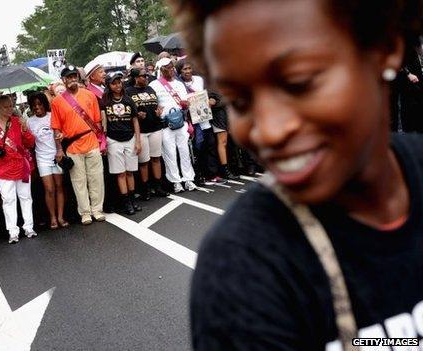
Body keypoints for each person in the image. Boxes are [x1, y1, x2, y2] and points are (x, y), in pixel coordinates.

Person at [169, 0, 423, 350]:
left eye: (299, 83)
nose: (269, 131)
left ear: (384, 48)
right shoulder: (245, 271)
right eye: (239, 101)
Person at [51, 65, 106, 225]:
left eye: (74, 76)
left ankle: (97, 209)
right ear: (63, 80)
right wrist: (59, 149)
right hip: (73, 146)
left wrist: (100, 142)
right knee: (78, 181)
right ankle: (85, 212)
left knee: (96, 178)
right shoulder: (57, 102)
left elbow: (97, 121)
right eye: (69, 77)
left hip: (91, 141)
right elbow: (56, 128)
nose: (72, 79)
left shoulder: (89, 95)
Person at [0, 95, 37, 243]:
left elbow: (30, 143)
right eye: (5, 106)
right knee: (8, 200)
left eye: (11, 105)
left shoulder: (18, 122)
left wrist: (25, 130)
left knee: (26, 197)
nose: (9, 109)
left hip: (20, 165)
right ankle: (12, 230)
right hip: (3, 168)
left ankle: (28, 227)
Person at [177, 60, 234, 182]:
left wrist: (212, 99)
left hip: (205, 118)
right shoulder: (178, 84)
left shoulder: (199, 80)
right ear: (180, 72)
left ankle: (213, 174)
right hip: (191, 121)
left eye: (189, 68)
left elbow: (210, 93)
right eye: (184, 69)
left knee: (211, 145)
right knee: (197, 148)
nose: (188, 71)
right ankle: (199, 174)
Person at [149, 57, 197, 193]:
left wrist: (185, 103)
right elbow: (154, 104)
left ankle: (188, 179)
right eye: (167, 68)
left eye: (171, 67)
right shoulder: (154, 85)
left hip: (181, 122)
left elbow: (185, 101)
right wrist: (157, 111)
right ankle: (176, 182)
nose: (170, 70)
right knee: (170, 154)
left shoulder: (179, 84)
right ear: (161, 70)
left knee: (185, 151)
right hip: (166, 124)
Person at [101, 72, 142, 215]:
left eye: (119, 82)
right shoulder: (105, 101)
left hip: (130, 138)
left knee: (130, 172)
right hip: (113, 140)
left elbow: (135, 121)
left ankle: (132, 199)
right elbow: (102, 122)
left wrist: (138, 141)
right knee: (120, 173)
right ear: (108, 85)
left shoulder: (128, 100)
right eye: (114, 83)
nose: (117, 85)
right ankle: (125, 202)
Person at [26, 92, 68, 229]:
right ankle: (53, 218)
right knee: (49, 189)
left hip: (56, 156)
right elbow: (29, 143)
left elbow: (60, 134)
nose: (37, 107)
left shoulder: (52, 117)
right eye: (34, 105)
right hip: (41, 158)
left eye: (40, 104)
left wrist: (60, 150)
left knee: (59, 187)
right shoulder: (29, 121)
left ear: (45, 104)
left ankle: (61, 216)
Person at [126, 68, 169, 199]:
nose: (146, 78)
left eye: (146, 75)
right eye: (143, 76)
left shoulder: (150, 89)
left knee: (156, 158)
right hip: (141, 131)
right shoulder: (128, 92)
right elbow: (128, 113)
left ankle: (158, 186)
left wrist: (158, 112)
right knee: (144, 161)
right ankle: (145, 189)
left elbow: (156, 105)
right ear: (135, 78)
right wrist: (137, 116)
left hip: (155, 127)